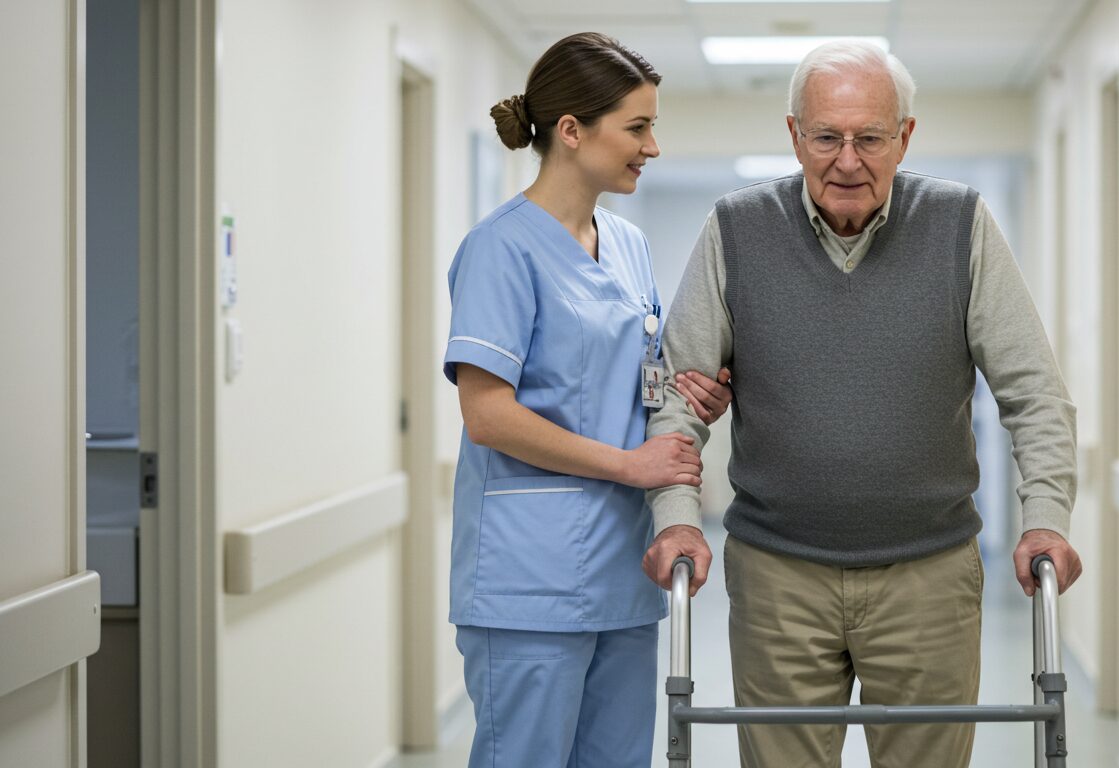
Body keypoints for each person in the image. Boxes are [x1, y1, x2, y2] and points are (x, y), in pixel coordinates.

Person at [639, 41, 1083, 767]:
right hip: (779, 574)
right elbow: (677, 401)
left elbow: (1035, 395)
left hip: (929, 578)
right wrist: (677, 523)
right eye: (826, 137)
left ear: (905, 137)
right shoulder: (735, 230)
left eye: (871, 138)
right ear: (794, 135)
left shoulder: (960, 225)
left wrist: (1046, 523)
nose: (848, 161)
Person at [442, 32, 732, 768]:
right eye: (637, 127)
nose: (653, 147)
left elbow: (630, 372)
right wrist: (632, 466)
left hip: (620, 572)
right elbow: (487, 414)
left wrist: (689, 392)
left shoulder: (628, 245)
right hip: (529, 581)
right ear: (571, 131)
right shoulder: (500, 249)